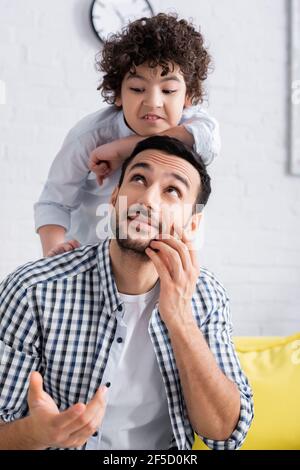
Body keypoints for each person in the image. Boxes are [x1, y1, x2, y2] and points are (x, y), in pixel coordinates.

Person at [0, 136, 253, 450]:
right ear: (115, 197)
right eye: (138, 179)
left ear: (192, 225)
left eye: (172, 190)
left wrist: (180, 319)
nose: (147, 199)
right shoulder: (33, 290)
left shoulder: (206, 295)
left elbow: (225, 434)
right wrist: (37, 434)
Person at [34, 13, 220, 257]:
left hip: (161, 260)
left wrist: (123, 148)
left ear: (187, 97)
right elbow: (54, 202)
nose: (153, 102)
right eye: (137, 88)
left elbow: (208, 142)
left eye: (169, 90)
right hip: (92, 255)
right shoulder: (89, 136)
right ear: (118, 94)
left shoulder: (197, 124)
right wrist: (53, 253)